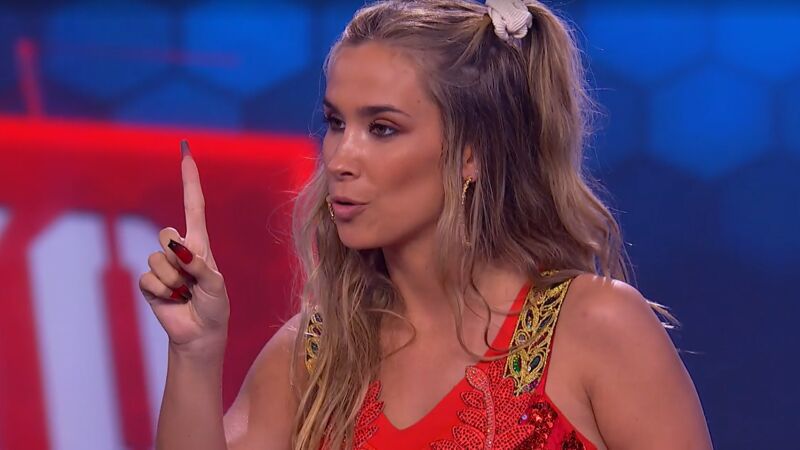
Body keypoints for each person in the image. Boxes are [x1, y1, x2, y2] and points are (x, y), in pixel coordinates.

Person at [138, 0, 713, 449]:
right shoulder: (316, 353)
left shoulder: (595, 328)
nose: (339, 158)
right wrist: (195, 350)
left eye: (382, 128)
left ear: (473, 153)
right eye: (336, 123)